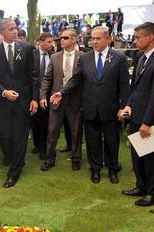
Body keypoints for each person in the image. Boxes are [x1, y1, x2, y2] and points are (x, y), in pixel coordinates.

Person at [50, 26, 130, 184]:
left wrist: (123, 106)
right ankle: (95, 169)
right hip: (90, 108)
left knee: (111, 141)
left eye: (98, 38)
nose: (94, 41)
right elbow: (76, 79)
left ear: (108, 39)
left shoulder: (119, 58)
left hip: (111, 108)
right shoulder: (85, 57)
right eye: (92, 38)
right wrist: (62, 92)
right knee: (92, 141)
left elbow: (124, 86)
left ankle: (113, 169)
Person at [121, 22, 154, 206]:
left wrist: (147, 122)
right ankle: (141, 186)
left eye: (138, 37)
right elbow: (136, 88)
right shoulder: (141, 58)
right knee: (137, 156)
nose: (135, 40)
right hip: (136, 115)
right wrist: (128, 106)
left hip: (150, 120)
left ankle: (153, 193)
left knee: (151, 159)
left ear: (150, 37)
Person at [0, 18, 38, 188]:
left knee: (20, 137)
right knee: (6, 137)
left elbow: (33, 76)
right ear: (1, 32)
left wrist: (34, 99)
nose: (15, 31)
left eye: (16, 28)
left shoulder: (27, 48)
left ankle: (14, 173)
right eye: (10, 29)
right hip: (3, 104)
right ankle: (12, 157)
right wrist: (3, 92)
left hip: (23, 102)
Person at [40, 28, 83, 171]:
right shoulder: (55, 57)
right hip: (56, 101)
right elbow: (47, 79)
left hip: (75, 101)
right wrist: (42, 96)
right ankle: (49, 159)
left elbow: (82, 80)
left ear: (74, 39)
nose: (61, 41)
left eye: (65, 38)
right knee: (52, 132)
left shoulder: (83, 57)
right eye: (61, 38)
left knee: (76, 132)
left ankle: (76, 158)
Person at [31, 32, 53, 160]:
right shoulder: (32, 55)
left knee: (45, 122)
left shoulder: (53, 55)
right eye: (49, 42)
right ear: (41, 42)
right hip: (34, 93)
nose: (51, 44)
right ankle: (37, 144)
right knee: (35, 121)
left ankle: (43, 148)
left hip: (48, 94)